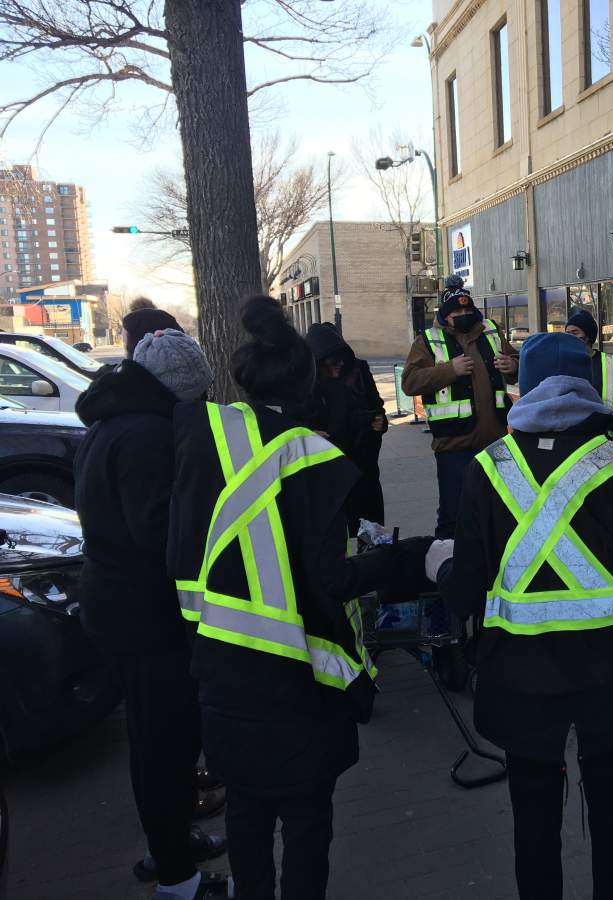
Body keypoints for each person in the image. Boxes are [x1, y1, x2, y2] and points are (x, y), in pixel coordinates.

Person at [168, 296, 430, 900]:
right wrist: (406, 558)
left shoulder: (205, 439)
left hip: (219, 672)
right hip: (297, 683)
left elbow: (181, 555)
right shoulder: (316, 461)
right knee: (308, 829)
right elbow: (332, 581)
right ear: (310, 382)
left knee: (247, 819)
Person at [434, 332, 613, 900]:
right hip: (611, 674)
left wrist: (437, 566)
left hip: (519, 677)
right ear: (591, 384)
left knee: (534, 818)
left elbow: (466, 590)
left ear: (522, 386)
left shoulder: (487, 468)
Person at [74, 320, 230, 900]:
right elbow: (160, 532)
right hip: (144, 617)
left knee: (157, 740)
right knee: (162, 745)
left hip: (121, 608)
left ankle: (171, 841)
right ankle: (177, 877)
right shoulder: (147, 437)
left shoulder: (113, 422)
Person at [402, 275, 519, 538]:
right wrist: (449, 371)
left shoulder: (490, 330)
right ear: (445, 316)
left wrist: (514, 366)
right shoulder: (427, 341)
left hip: (496, 442)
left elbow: (513, 359)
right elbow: (409, 382)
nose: (464, 315)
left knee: (500, 510)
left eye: (468, 310)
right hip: (454, 446)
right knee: (454, 516)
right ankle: (448, 569)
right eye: (457, 312)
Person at [305, 322, 388, 528]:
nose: (339, 365)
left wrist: (379, 421)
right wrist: (308, 434)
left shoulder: (358, 370)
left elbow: (376, 405)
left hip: (363, 465)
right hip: (329, 470)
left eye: (341, 359)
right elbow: (296, 420)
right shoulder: (306, 382)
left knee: (369, 524)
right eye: (332, 362)